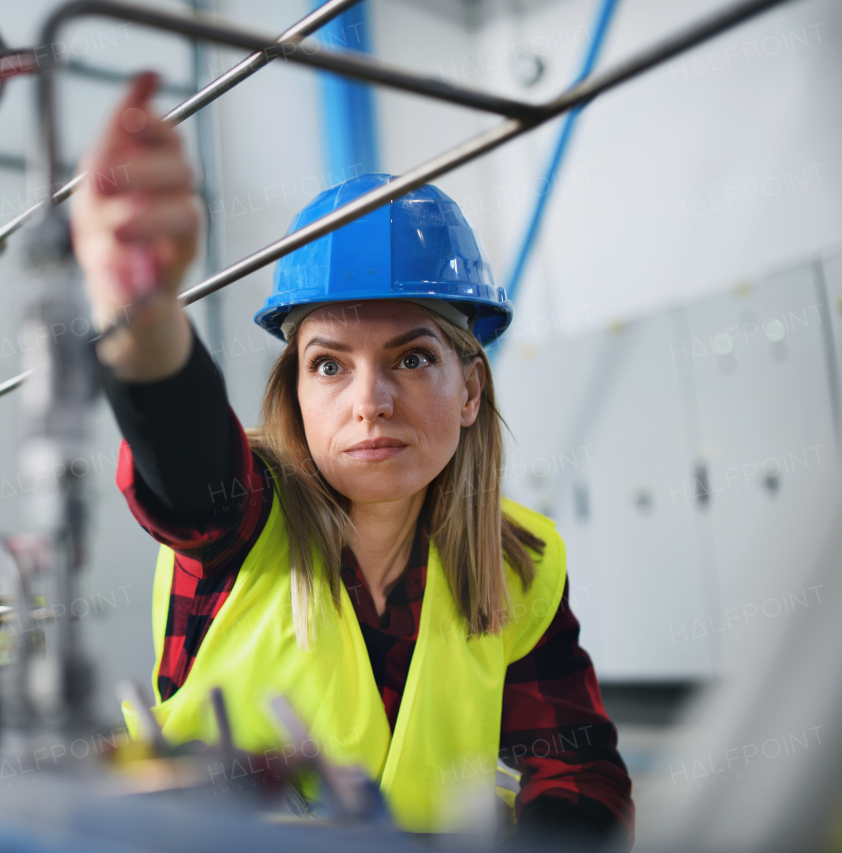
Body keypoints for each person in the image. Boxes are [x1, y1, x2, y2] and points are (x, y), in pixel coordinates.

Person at [72, 73, 633, 847]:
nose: (370, 400)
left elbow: (577, 766)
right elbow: (184, 453)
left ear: (470, 389)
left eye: (410, 359)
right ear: (297, 390)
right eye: (330, 365)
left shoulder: (523, 563)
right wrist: (140, 311)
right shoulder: (244, 519)